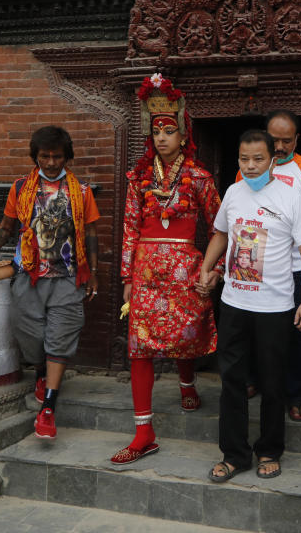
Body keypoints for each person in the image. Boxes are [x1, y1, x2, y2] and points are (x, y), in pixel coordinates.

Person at [110, 74, 222, 465]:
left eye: (169, 130)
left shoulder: (201, 179)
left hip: (185, 269)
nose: (161, 138)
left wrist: (214, 270)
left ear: (183, 134)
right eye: (156, 131)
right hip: (144, 271)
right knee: (139, 346)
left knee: (184, 333)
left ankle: (187, 382)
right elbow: (128, 227)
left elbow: (221, 228)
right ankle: (144, 432)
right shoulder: (137, 179)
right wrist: (126, 278)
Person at [197, 129, 301, 482]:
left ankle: (269, 449)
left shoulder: (290, 196)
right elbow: (221, 234)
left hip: (276, 307)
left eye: (258, 159)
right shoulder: (234, 193)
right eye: (244, 159)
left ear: (274, 160)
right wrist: (208, 268)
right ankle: (234, 454)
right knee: (232, 380)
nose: (250, 166)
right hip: (234, 303)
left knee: (272, 382)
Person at [0, 125, 100, 440]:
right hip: (28, 275)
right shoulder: (21, 187)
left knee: (60, 337)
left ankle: (49, 405)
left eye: (57, 156)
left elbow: (89, 233)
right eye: (45, 156)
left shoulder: (83, 191)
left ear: (66, 157)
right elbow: (7, 225)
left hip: (68, 276)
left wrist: (94, 272)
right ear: (35, 157)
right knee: (30, 334)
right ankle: (40, 370)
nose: (51, 163)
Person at [237, 110, 301, 421]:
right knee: (251, 326)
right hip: (255, 264)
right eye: (273, 139)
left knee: (300, 329)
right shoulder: (249, 168)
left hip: (295, 264)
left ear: (297, 139)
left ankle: (297, 394)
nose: (279, 146)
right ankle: (251, 380)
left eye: (286, 141)